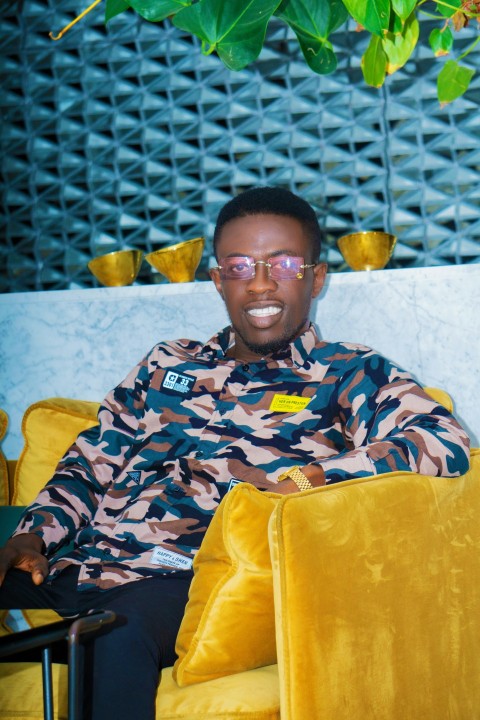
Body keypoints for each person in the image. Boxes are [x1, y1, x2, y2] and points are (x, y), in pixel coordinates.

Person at [0, 187, 470, 719]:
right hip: (82, 565)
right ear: (219, 280)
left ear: (316, 278)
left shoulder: (348, 373)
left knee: (113, 633)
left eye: (285, 263)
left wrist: (304, 480)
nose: (262, 283)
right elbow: (90, 462)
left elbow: (442, 441)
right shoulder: (165, 363)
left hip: (186, 583)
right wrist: (32, 535)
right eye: (241, 265)